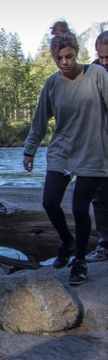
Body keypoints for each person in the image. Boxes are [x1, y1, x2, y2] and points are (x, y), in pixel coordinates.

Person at [23, 21, 108, 286]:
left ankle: (79, 261)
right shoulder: (51, 84)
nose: (64, 62)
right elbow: (39, 121)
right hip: (61, 150)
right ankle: (68, 242)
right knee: (50, 202)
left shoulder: (97, 75)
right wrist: (30, 151)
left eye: (68, 56)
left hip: (93, 150)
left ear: (76, 52)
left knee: (80, 206)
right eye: (59, 58)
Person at [86, 30, 108, 262]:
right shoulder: (93, 71)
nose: (104, 62)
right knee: (100, 197)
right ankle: (105, 245)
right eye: (100, 57)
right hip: (99, 145)